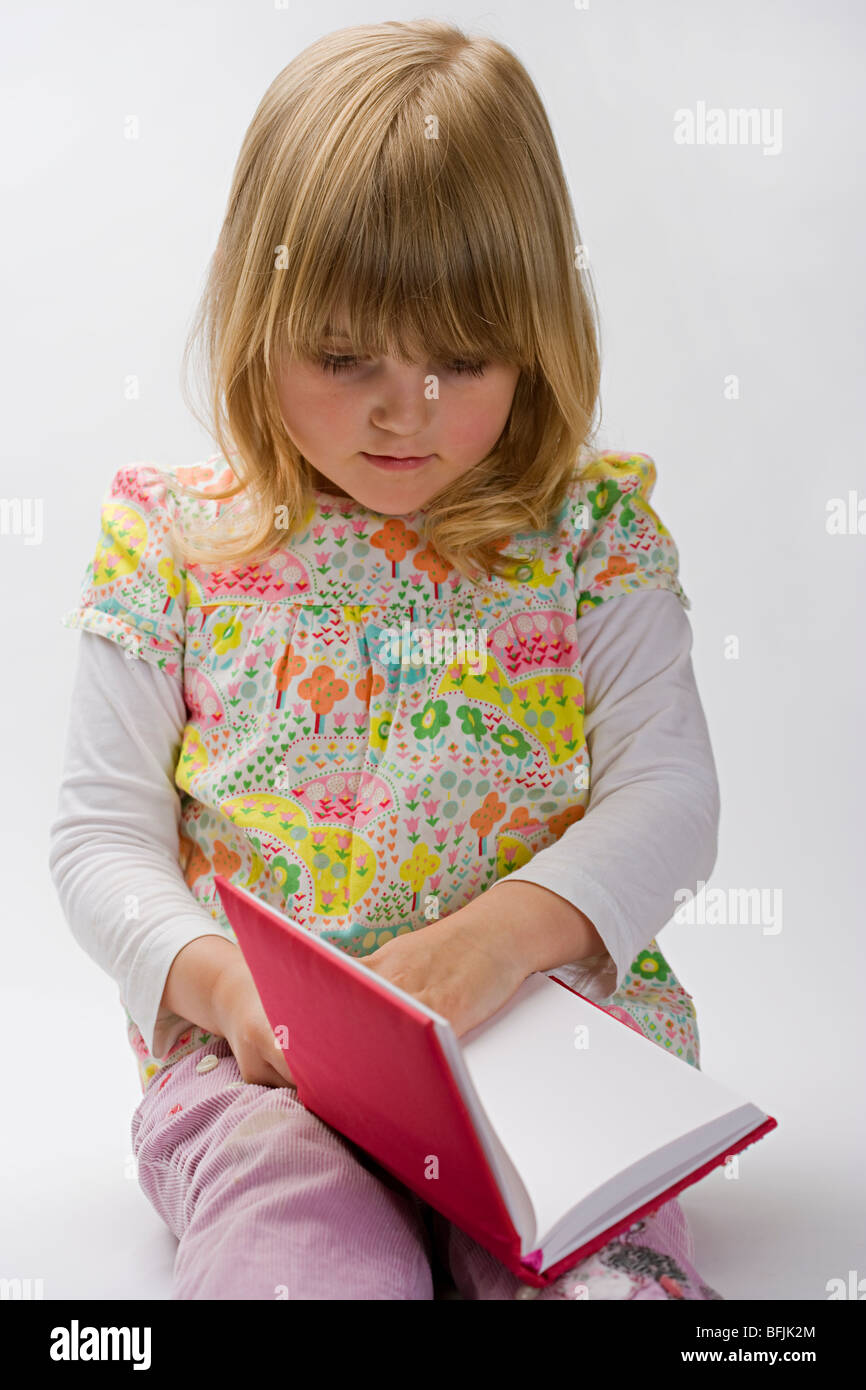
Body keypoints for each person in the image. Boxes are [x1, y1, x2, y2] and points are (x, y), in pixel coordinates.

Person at [48, 18, 724, 1300]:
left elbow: (669, 797)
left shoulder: (590, 537)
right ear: (257, 315)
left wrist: (501, 940)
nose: (401, 409)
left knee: (592, 1264)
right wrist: (224, 988)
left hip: (550, 1038)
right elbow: (98, 841)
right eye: (344, 354)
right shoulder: (171, 541)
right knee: (288, 1234)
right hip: (263, 1068)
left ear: (537, 335)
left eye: (460, 358)